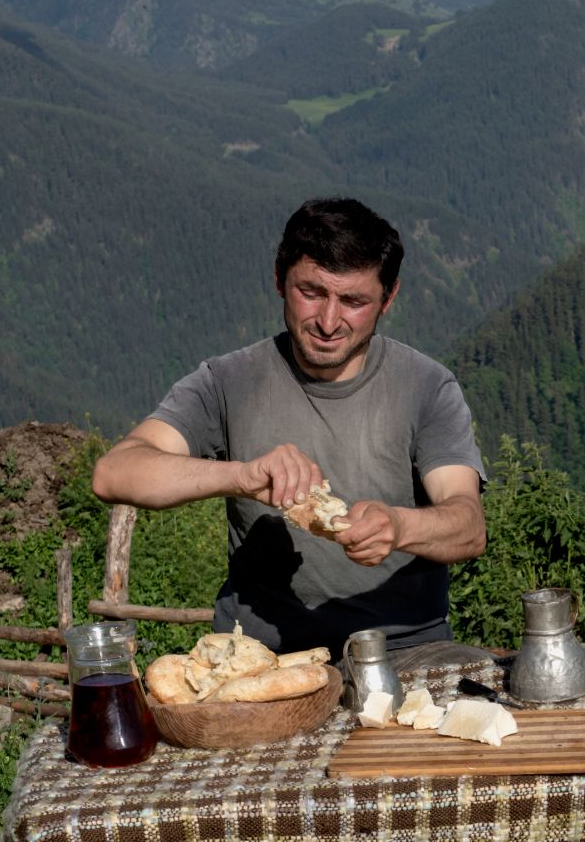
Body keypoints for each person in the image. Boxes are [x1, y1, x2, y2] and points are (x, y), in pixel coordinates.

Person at [91, 198, 486, 656]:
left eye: (354, 301)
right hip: (262, 656)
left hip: (406, 648)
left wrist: (398, 526)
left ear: (388, 299)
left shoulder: (427, 386)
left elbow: (468, 525)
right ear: (280, 279)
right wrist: (241, 476)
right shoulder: (229, 381)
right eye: (312, 292)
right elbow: (114, 473)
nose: (328, 321)